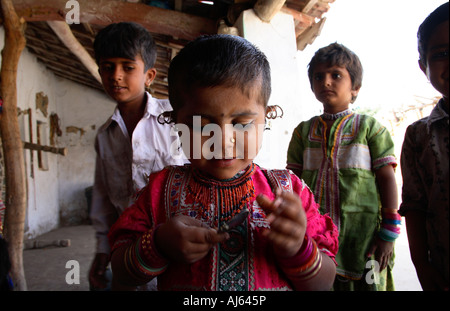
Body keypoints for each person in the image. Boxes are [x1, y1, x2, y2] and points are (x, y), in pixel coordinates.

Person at [108, 34, 339, 291]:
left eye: (242, 124)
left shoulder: (288, 192)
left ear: (267, 117)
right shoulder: (159, 190)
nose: (224, 141)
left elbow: (324, 283)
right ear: (176, 123)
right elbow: (121, 271)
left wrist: (299, 249)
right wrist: (159, 245)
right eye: (202, 125)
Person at [286, 43, 400, 291]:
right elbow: (292, 182)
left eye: (336, 75)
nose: (326, 81)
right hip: (316, 237)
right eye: (318, 76)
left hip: (366, 237)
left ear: (355, 88)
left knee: (370, 284)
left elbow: (387, 178)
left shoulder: (370, 128)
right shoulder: (303, 132)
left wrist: (388, 233)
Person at [88, 22, 185, 290]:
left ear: (149, 75)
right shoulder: (105, 136)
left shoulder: (176, 118)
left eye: (127, 67)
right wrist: (102, 250)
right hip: (129, 252)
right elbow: (103, 201)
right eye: (107, 67)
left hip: (179, 247)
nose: (116, 75)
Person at [399, 2, 449, 291]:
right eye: (442, 54)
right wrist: (423, 267)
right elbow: (414, 207)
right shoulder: (419, 136)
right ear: (423, 66)